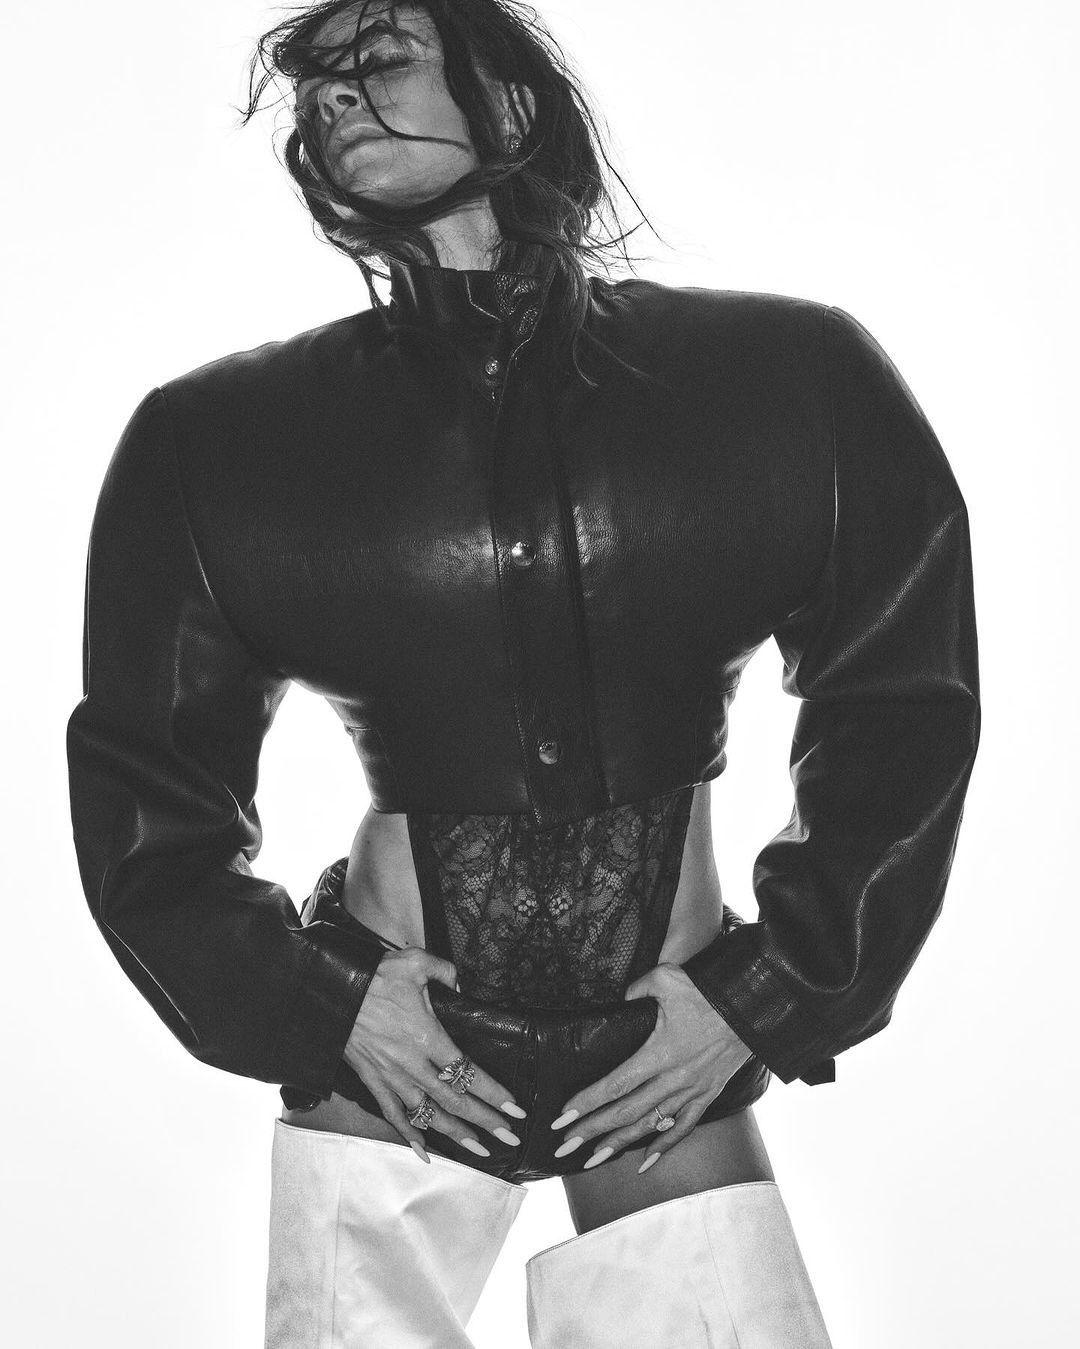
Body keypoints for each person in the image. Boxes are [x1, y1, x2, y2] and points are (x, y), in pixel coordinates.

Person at [65, 1, 981, 1344]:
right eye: (316, 86)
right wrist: (321, 1008)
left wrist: (768, 997)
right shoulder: (214, 441)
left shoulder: (789, 380)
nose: (334, 97)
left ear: (508, 97)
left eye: (379, 59)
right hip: (394, 1051)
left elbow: (902, 709)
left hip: (666, 1053)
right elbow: (146, 793)